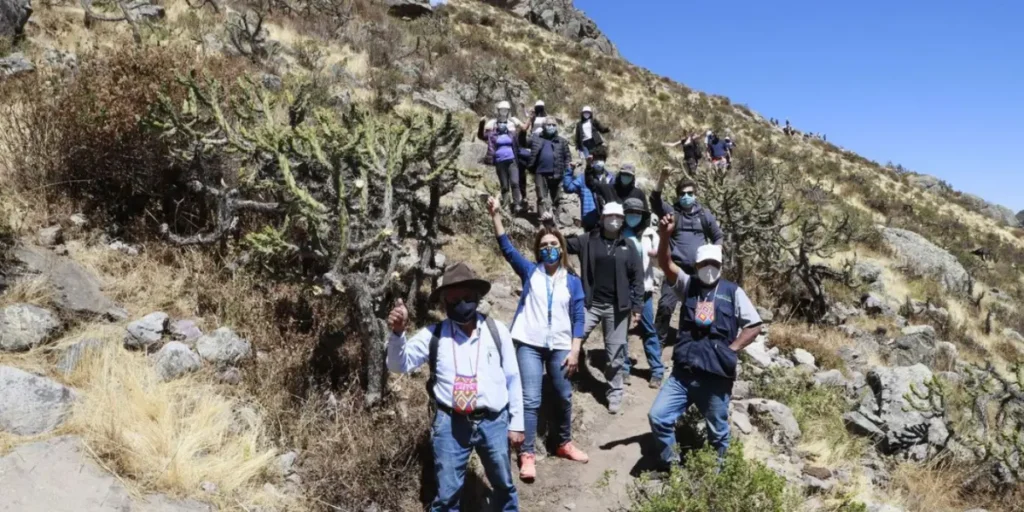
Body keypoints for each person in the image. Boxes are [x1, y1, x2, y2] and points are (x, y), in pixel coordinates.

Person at [386, 263, 523, 511]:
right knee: (448, 494)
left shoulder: (497, 331)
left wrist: (517, 424)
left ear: (477, 297)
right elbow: (398, 365)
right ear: (444, 303)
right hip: (450, 423)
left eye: (467, 297)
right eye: (453, 298)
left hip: (494, 421)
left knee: (503, 484)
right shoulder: (434, 336)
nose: (461, 304)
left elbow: (513, 378)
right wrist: (398, 333)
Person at [486, 197, 589, 483]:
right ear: (538, 251)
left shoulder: (572, 280)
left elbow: (579, 317)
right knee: (530, 398)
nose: (549, 249)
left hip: (560, 345)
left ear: (562, 248)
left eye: (553, 245)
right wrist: (495, 215)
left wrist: (575, 348)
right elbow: (506, 249)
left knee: (564, 394)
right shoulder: (530, 272)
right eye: (543, 246)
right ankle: (527, 454)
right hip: (529, 343)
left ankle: (564, 443)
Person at [648, 217, 763, 469]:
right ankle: (672, 467)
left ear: (720, 265)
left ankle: (716, 477)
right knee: (658, 416)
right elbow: (666, 264)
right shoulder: (688, 285)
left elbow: (754, 325)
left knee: (718, 432)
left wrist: (730, 349)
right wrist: (665, 235)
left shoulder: (733, 292)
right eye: (703, 263)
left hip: (715, 376)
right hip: (683, 374)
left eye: (713, 263)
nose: (708, 267)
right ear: (696, 264)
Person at [565, 202, 643, 414]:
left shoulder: (628, 246)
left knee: (616, 352)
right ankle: (572, 376)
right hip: (590, 304)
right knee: (573, 338)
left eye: (618, 217)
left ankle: (615, 393)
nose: (614, 220)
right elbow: (562, 245)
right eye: (610, 216)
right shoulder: (588, 240)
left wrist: (637, 308)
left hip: (617, 308)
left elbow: (637, 278)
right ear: (602, 218)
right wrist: (549, 227)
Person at [650, 172, 723, 352]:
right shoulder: (673, 213)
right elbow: (655, 201)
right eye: (682, 194)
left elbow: (718, 237)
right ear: (678, 195)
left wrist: (714, 256)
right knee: (666, 306)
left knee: (700, 308)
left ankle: (697, 343)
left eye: (690, 193)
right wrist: (662, 179)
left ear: (695, 194)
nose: (686, 197)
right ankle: (657, 344)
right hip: (675, 269)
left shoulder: (704, 215)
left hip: (700, 272)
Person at [621, 197, 663, 388]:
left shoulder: (651, 235)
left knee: (648, 329)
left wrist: (657, 257)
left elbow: (660, 260)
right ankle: (623, 369)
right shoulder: (619, 233)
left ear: (642, 215)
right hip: (621, 289)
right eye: (629, 213)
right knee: (621, 330)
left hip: (644, 289)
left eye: (636, 213)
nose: (633, 217)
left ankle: (656, 370)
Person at [528, 118, 572, 218]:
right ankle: (542, 220)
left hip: (557, 173)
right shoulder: (536, 139)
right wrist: (523, 130)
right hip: (540, 173)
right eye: (548, 125)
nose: (551, 127)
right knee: (541, 197)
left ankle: (558, 220)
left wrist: (568, 170)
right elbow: (522, 142)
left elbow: (567, 157)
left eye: (553, 125)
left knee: (557, 199)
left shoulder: (562, 141)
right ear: (543, 126)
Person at [563, 147, 613, 231]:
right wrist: (569, 170)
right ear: (592, 161)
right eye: (596, 159)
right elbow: (568, 188)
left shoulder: (611, 178)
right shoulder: (583, 179)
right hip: (590, 220)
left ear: (604, 161)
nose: (599, 162)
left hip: (608, 219)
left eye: (601, 159)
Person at [488, 121, 525, 213]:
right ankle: (506, 205)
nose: (502, 124)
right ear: (497, 124)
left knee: (515, 182)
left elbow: (518, 145)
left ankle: (517, 204)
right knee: (504, 185)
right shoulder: (492, 135)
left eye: (504, 122)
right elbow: (483, 136)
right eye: (500, 123)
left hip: (512, 161)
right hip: (500, 162)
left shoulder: (512, 134)